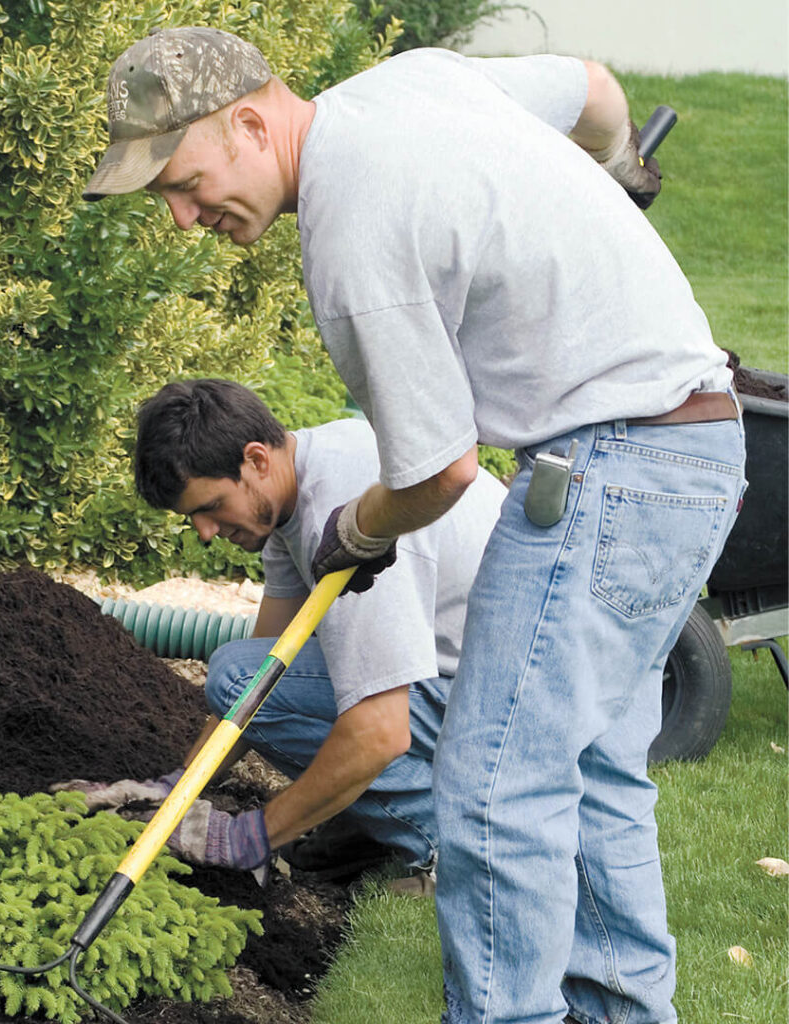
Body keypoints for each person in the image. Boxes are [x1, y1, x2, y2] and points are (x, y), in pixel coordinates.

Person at [81, 27, 747, 1024]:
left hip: (610, 464)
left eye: (183, 181)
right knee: (595, 771)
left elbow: (438, 470)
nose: (181, 216)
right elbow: (596, 91)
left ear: (248, 123)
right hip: (694, 447)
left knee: (493, 787)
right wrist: (618, 172)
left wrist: (356, 529)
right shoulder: (412, 85)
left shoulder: (350, 227)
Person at [55, 378, 506, 890]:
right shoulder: (292, 494)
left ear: (256, 460)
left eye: (211, 506)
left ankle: (456, 846)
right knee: (245, 677)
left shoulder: (347, 516)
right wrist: (178, 788)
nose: (205, 532)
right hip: (464, 680)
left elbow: (381, 731)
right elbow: (260, 681)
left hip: (503, 707)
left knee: (239, 677)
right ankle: (374, 822)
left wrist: (249, 838)